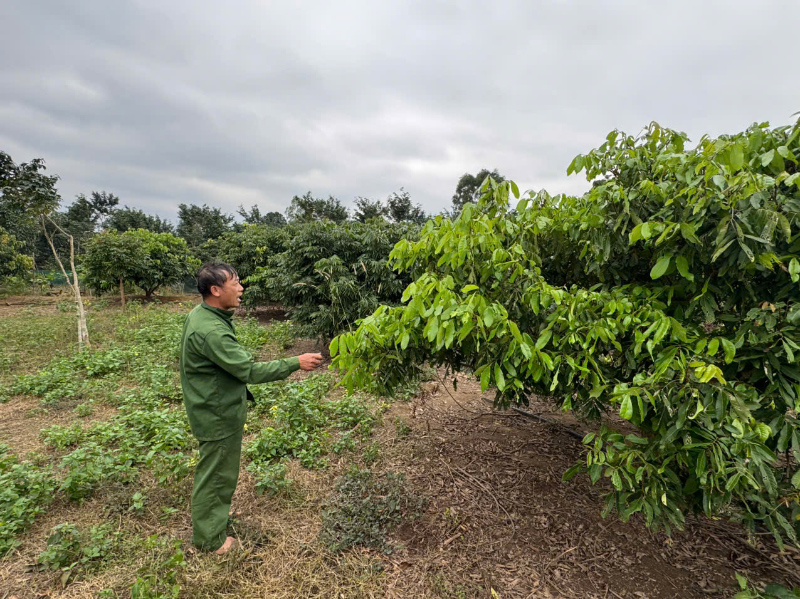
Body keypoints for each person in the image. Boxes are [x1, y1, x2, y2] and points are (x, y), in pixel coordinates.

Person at [179, 261, 323, 554]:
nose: (241, 288)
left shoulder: (204, 315)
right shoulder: (211, 331)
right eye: (236, 283)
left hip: (214, 406)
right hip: (216, 412)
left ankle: (214, 517)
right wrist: (295, 362)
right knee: (216, 472)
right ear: (216, 290)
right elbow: (250, 371)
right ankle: (209, 539)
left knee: (220, 469)